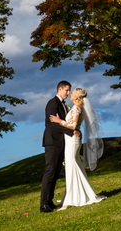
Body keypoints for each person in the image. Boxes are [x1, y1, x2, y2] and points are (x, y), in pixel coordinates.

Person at [49, 87, 106, 209]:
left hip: (72, 141)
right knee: (74, 166)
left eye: (73, 92)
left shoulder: (77, 108)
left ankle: (69, 201)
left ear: (76, 97)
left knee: (71, 167)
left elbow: (74, 125)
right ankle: (77, 195)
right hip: (71, 140)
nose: (70, 94)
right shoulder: (77, 107)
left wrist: (59, 121)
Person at [40, 80, 79, 213]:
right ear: (60, 89)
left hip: (61, 142)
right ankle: (43, 204)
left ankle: (50, 202)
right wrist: (71, 132)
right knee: (50, 171)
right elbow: (52, 124)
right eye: (67, 90)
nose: (68, 93)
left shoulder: (63, 105)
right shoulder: (52, 103)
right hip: (52, 142)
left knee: (56, 172)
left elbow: (63, 122)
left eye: (69, 91)